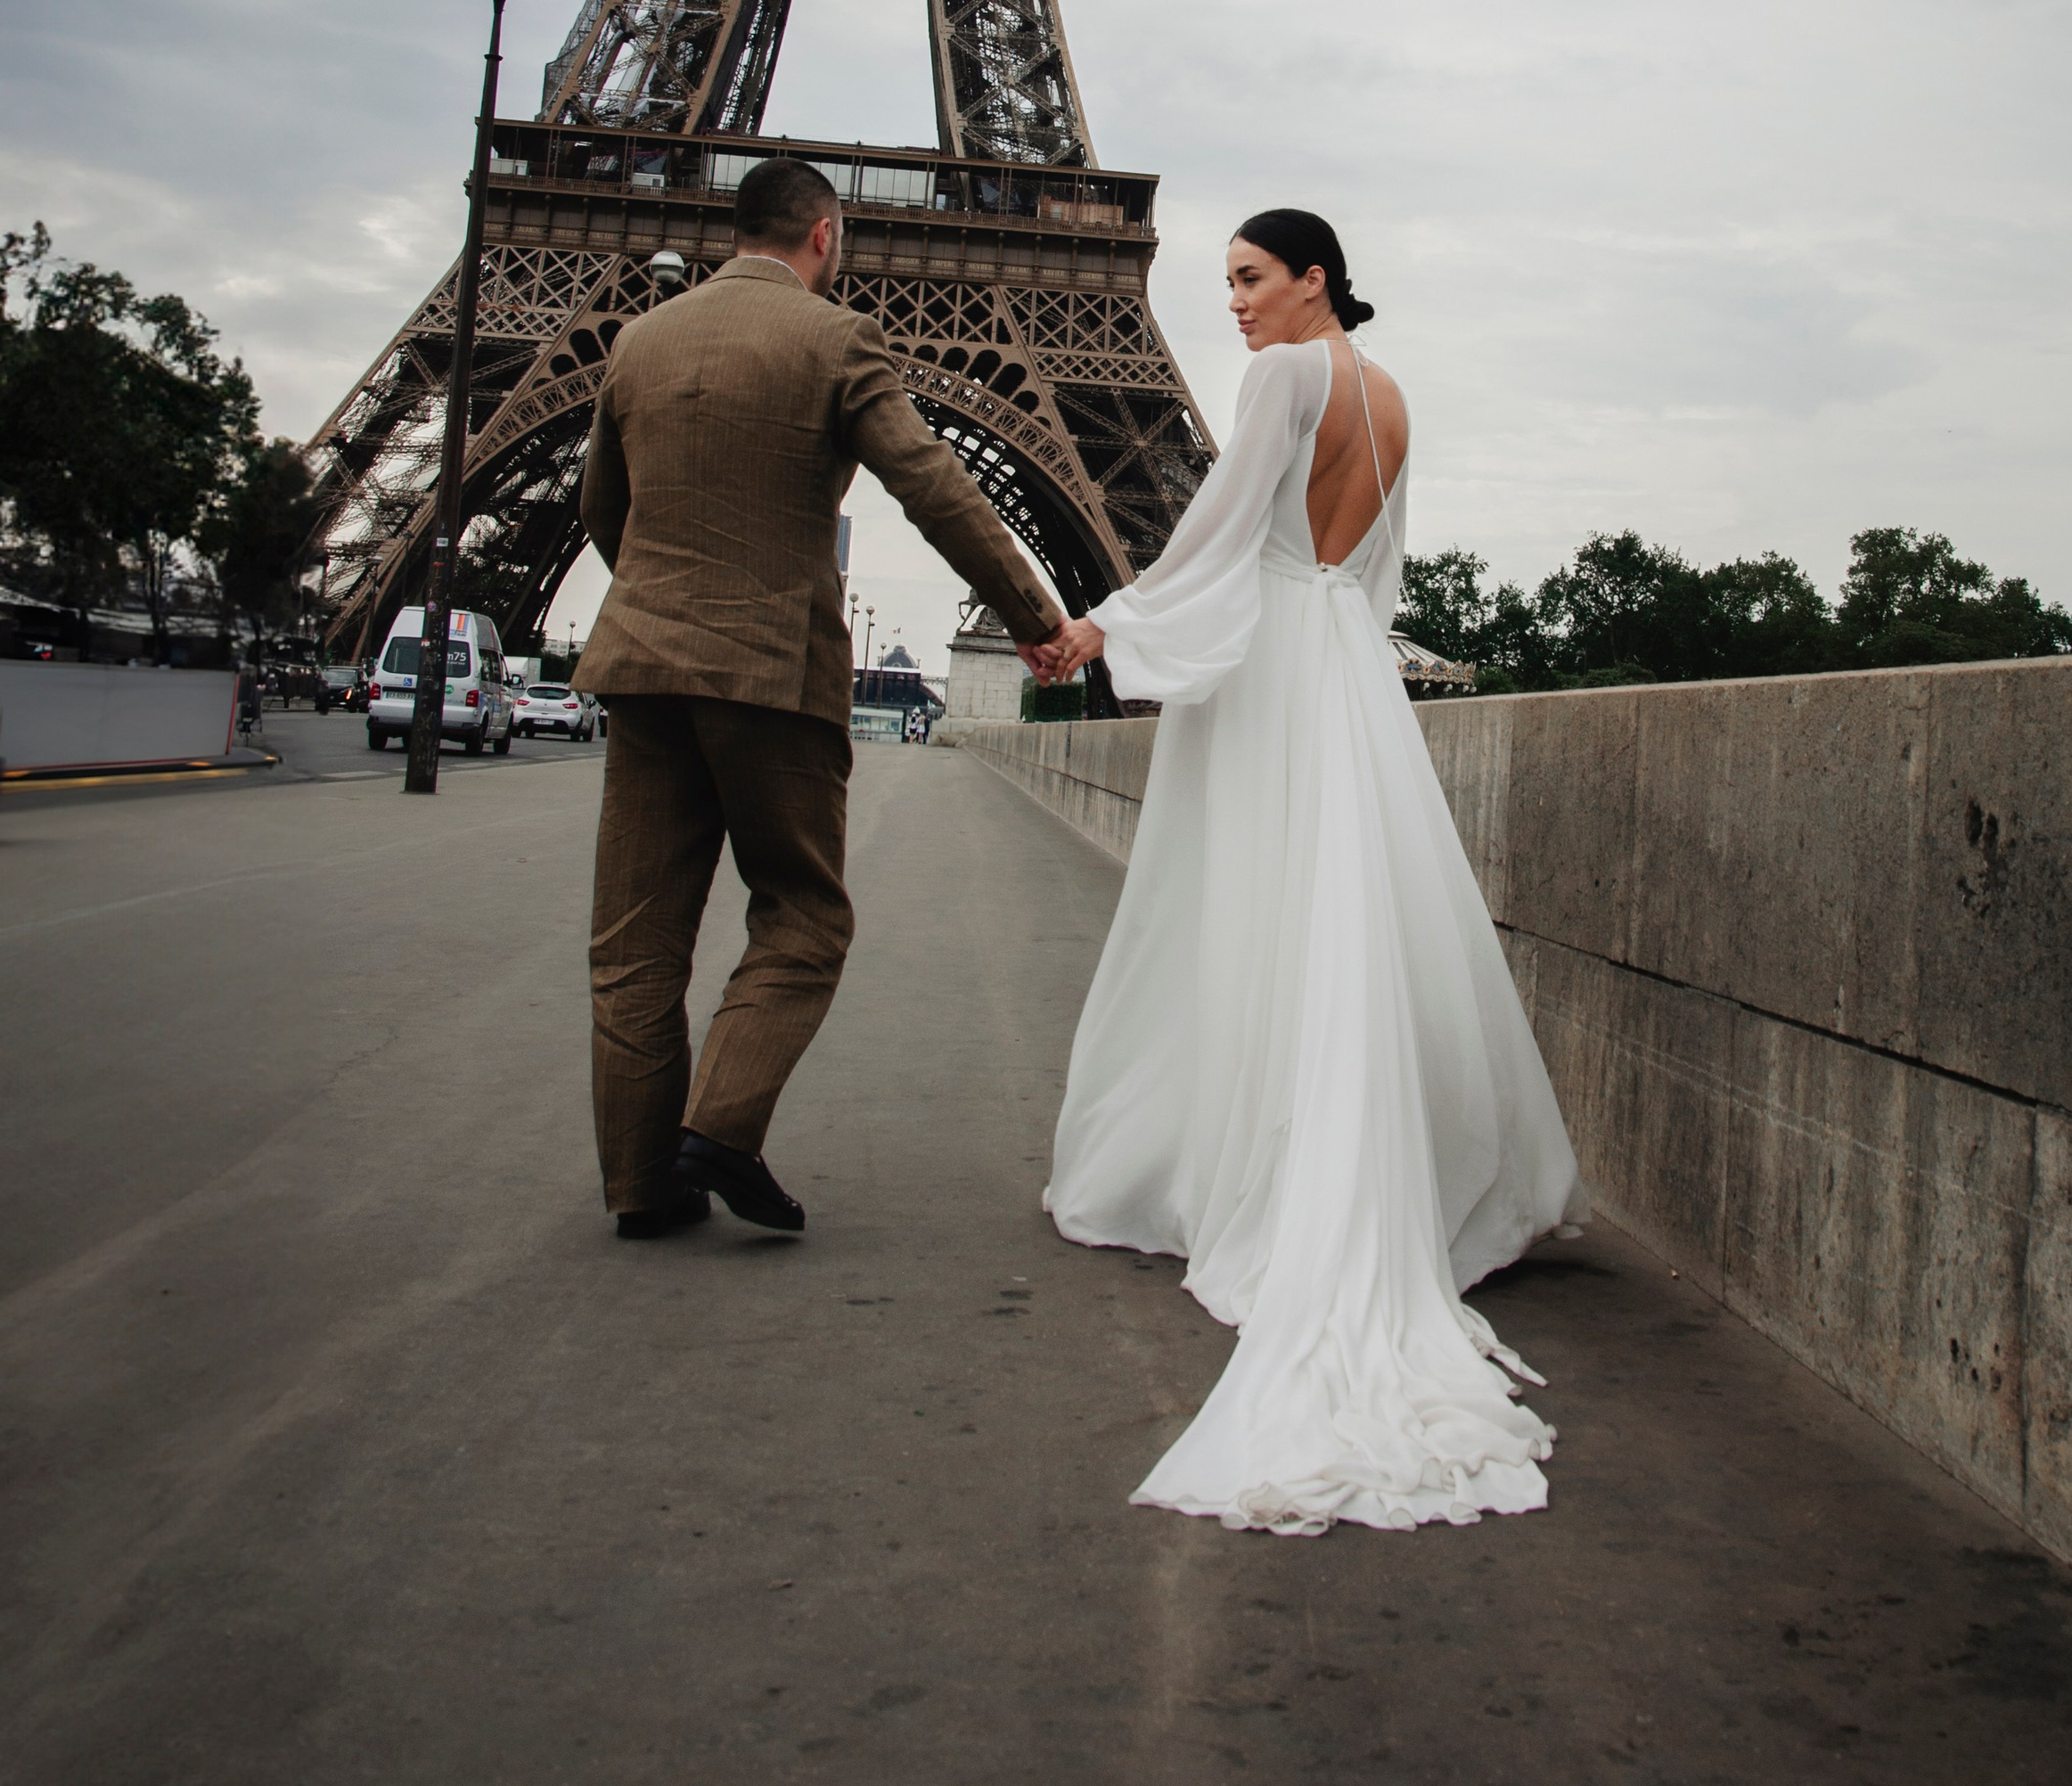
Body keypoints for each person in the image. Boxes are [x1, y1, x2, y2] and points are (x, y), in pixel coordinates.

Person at [1037, 208, 1585, 1534]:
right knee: (1339, 922)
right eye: (1225, 281)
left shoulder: (1287, 373)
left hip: (1280, 665)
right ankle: (1354, 1170)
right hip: (1346, 669)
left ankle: (1272, 1175)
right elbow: (1370, 574)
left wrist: (1106, 623)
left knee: (1246, 919)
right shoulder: (1391, 396)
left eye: (1248, 277)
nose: (1232, 302)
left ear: (1312, 278)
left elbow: (1219, 531)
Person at [576, 157, 1069, 1241]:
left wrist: (662, 602)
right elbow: (933, 484)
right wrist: (1036, 618)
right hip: (770, 673)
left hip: (644, 667)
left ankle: (641, 1183)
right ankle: (720, 1122)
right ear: (826, 237)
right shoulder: (833, 337)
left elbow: (602, 511)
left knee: (635, 942)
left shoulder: (640, 340)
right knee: (802, 913)